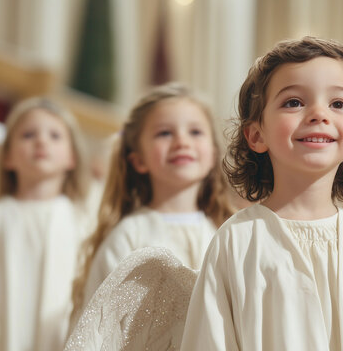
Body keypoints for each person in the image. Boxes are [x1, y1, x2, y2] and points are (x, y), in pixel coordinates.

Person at [181, 36, 343, 350]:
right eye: (294, 102)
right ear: (257, 135)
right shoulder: (237, 242)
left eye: (337, 104)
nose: (318, 114)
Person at [70, 83, 235, 322]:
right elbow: (103, 328)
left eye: (195, 132)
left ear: (212, 153)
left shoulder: (225, 231)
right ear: (139, 160)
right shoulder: (129, 235)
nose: (182, 141)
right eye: (164, 133)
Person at [0, 97, 91, 351]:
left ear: (72, 158)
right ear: (8, 157)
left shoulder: (83, 221)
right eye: (28, 135)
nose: (41, 141)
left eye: (55, 135)